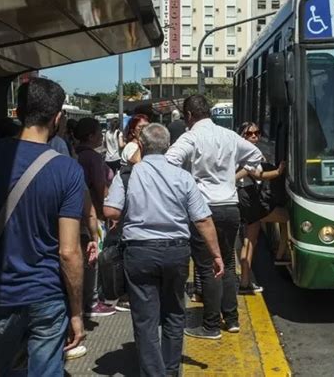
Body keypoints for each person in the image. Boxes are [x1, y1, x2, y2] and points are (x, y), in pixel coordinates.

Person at [104, 123, 224, 377]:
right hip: (176, 252)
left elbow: (110, 211)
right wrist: (215, 254)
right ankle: (170, 371)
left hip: (139, 253)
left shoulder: (127, 174)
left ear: (142, 145)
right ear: (168, 146)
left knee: (145, 319)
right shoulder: (183, 176)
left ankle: (153, 373)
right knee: (174, 312)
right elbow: (202, 219)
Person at [0, 78, 85, 375]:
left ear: (18, 111)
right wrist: (77, 312)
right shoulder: (67, 170)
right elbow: (69, 252)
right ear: (58, 118)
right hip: (46, 295)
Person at [165, 95, 262, 340]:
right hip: (230, 206)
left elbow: (170, 161)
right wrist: (232, 176)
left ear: (188, 116)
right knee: (228, 263)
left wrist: (189, 182)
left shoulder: (190, 137)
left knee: (207, 266)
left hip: (203, 209)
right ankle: (231, 319)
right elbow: (255, 157)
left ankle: (210, 326)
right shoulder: (229, 135)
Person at [236, 122, 289, 294]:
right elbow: (259, 174)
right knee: (285, 218)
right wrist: (279, 172)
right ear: (242, 136)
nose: (254, 136)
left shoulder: (237, 150)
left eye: (257, 133)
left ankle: (245, 280)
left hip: (243, 198)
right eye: (249, 134)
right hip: (249, 198)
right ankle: (281, 256)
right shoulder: (248, 154)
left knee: (249, 240)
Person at [74, 117, 115, 317]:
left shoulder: (76, 154)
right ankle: (92, 300)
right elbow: (101, 187)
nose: (102, 136)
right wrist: (108, 208)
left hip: (77, 212)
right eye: (99, 132)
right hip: (94, 212)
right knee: (94, 256)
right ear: (90, 136)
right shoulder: (93, 157)